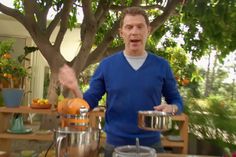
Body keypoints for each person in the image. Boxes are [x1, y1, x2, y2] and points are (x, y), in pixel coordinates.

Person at [59, 6, 183, 157]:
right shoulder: (106, 65)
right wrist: (74, 87)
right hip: (115, 146)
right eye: (129, 27)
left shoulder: (161, 65)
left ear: (148, 30)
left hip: (152, 145)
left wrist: (173, 108)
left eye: (140, 26)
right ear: (121, 33)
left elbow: (177, 101)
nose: (134, 31)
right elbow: (88, 104)